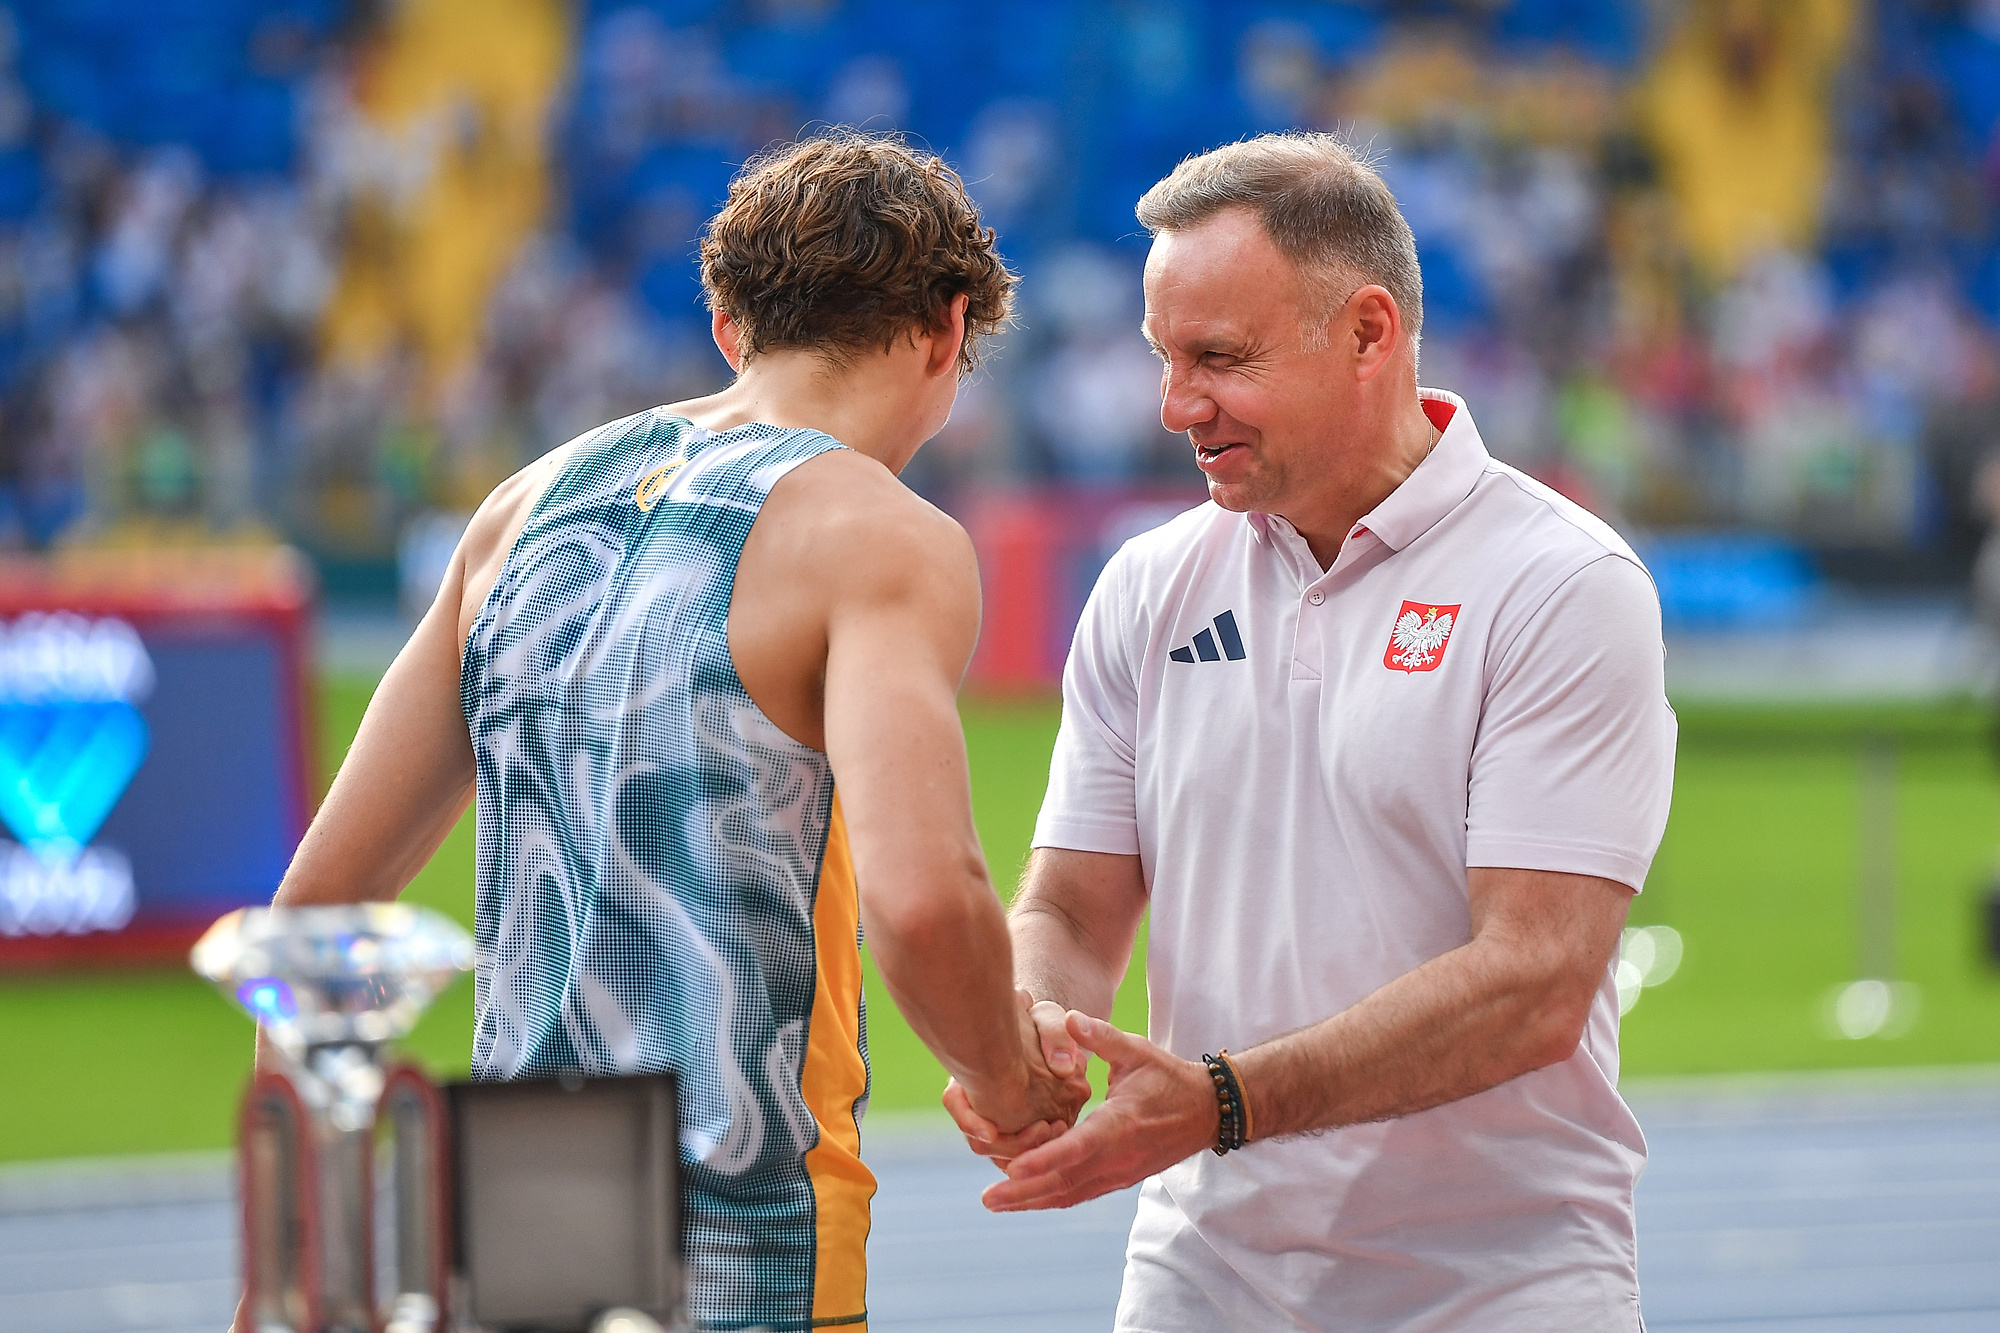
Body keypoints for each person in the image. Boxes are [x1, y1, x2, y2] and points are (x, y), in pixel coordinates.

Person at [255, 131, 1085, 1332]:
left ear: (726, 324)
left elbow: (313, 924)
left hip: (518, 1202)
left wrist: (275, 1270)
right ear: (948, 331)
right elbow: (925, 901)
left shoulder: (517, 508)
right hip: (742, 1224)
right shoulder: (881, 535)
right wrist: (1007, 1080)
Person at [948, 133, 1678, 1331]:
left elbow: (1533, 980)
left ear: (1368, 333)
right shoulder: (1147, 583)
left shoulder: (1559, 582)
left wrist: (1224, 1101)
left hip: (1501, 1287)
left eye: (1218, 359)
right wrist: (1031, 1030)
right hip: (1202, 1274)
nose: (1175, 405)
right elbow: (1074, 905)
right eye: (1163, 358)